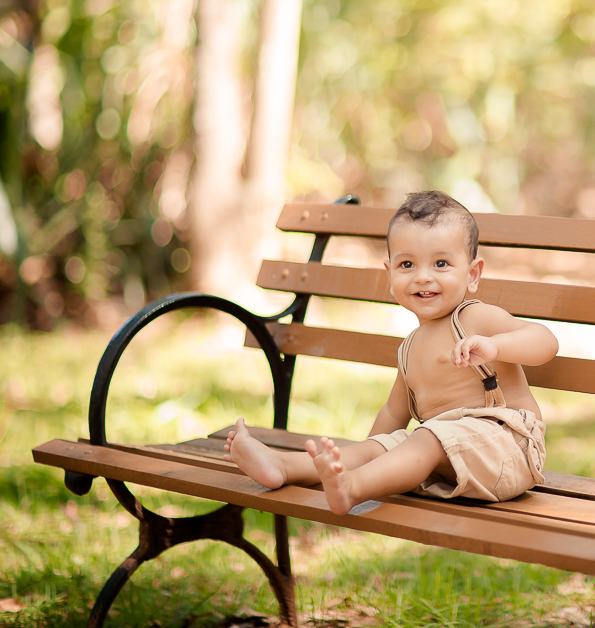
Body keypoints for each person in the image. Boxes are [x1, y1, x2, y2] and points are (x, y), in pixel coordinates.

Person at [225, 191, 559, 515]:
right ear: (391, 275)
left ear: (472, 274)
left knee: (426, 438)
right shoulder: (409, 348)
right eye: (407, 264)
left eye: (441, 263)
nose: (423, 276)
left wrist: (496, 346)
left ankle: (354, 487)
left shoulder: (475, 318)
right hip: (451, 457)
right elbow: (392, 416)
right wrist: (369, 454)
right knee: (380, 446)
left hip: (509, 451)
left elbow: (545, 341)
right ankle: (283, 465)